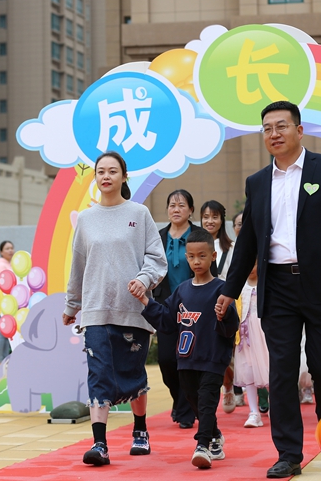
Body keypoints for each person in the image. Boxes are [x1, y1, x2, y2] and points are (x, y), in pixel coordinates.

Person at [217, 101, 321, 478]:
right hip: (277, 285)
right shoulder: (257, 182)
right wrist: (229, 289)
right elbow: (248, 240)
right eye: (267, 128)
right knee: (281, 371)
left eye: (281, 126)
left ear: (299, 130)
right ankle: (288, 454)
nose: (274, 134)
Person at [63, 151, 167, 467]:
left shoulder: (139, 213)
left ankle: (140, 430)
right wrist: (72, 304)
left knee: (132, 373)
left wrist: (143, 280)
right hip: (96, 310)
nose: (106, 176)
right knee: (98, 375)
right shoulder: (86, 219)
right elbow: (78, 265)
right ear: (95, 177)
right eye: (100, 171)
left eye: (112, 171)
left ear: (124, 176)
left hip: (133, 310)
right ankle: (100, 444)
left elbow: (157, 259)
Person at [138, 229, 239, 469]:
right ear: (186, 257)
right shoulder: (182, 290)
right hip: (186, 359)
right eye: (191, 256)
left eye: (202, 256)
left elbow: (231, 326)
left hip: (213, 359)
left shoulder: (222, 290)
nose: (196, 261)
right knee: (194, 400)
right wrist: (145, 301)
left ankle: (202, 445)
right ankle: (214, 435)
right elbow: (166, 321)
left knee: (206, 401)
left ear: (213, 256)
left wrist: (224, 315)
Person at [152, 189, 206, 429]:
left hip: (195, 306)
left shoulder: (199, 236)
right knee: (166, 360)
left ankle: (185, 411)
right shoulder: (158, 237)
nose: (176, 209)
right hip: (166, 306)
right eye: (172, 205)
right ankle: (180, 400)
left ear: (191, 210)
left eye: (181, 205)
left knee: (189, 360)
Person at [201, 200, 243, 412]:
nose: (210, 221)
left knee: (228, 350)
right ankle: (224, 386)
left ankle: (228, 385)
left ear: (222, 220)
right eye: (206, 217)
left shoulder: (232, 248)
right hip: (202, 303)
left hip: (227, 303)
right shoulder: (197, 244)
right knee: (208, 350)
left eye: (215, 217)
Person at [233, 262, 270, 428]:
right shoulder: (239, 287)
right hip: (245, 334)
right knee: (248, 371)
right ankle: (254, 412)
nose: (251, 268)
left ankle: (276, 406)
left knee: (269, 368)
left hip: (265, 332)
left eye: (254, 263)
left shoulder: (268, 284)